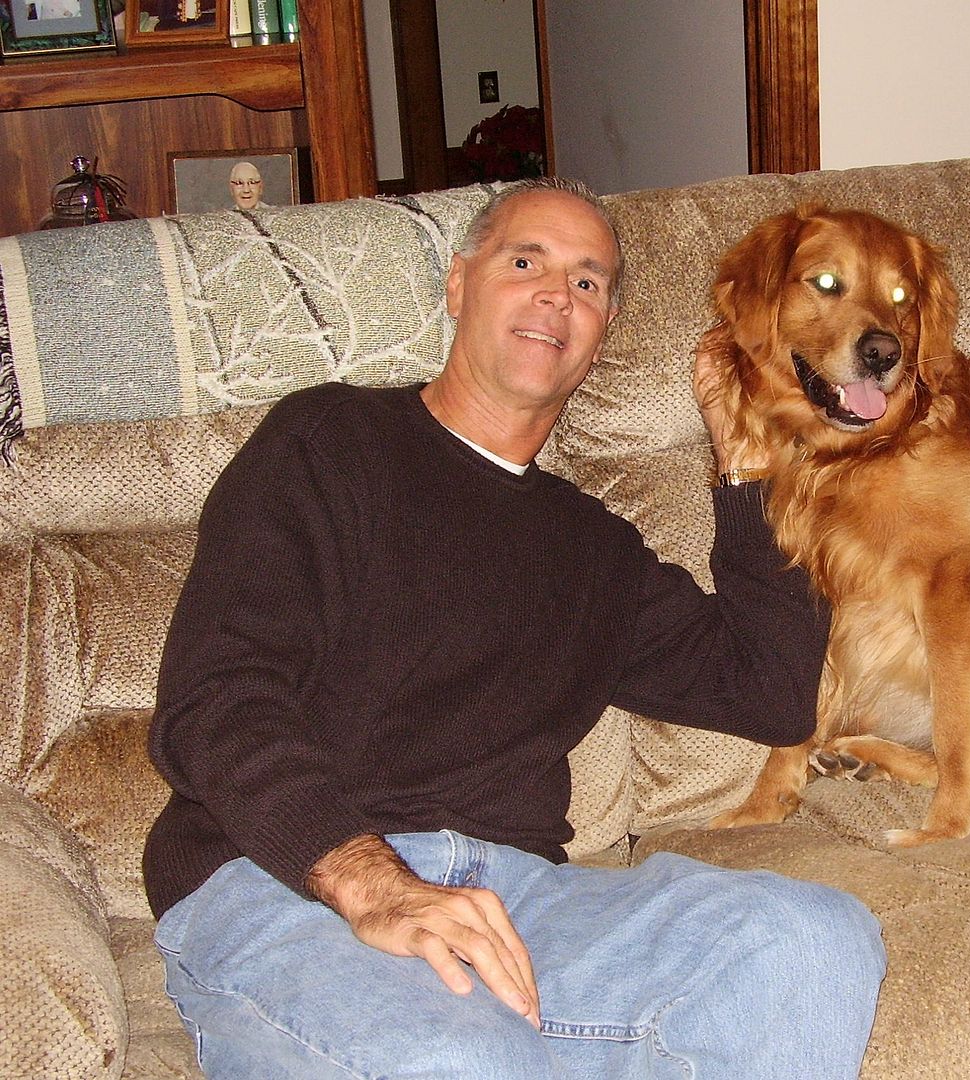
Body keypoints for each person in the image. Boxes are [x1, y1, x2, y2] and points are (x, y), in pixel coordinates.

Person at [143, 176, 886, 1078]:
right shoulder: (326, 441)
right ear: (459, 286)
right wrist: (372, 883)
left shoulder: (595, 553)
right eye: (524, 260)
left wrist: (751, 474)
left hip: (518, 901)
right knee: (459, 1056)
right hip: (286, 883)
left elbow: (768, 694)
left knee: (811, 941)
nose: (554, 294)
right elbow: (215, 699)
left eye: (587, 282)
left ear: (602, 329)